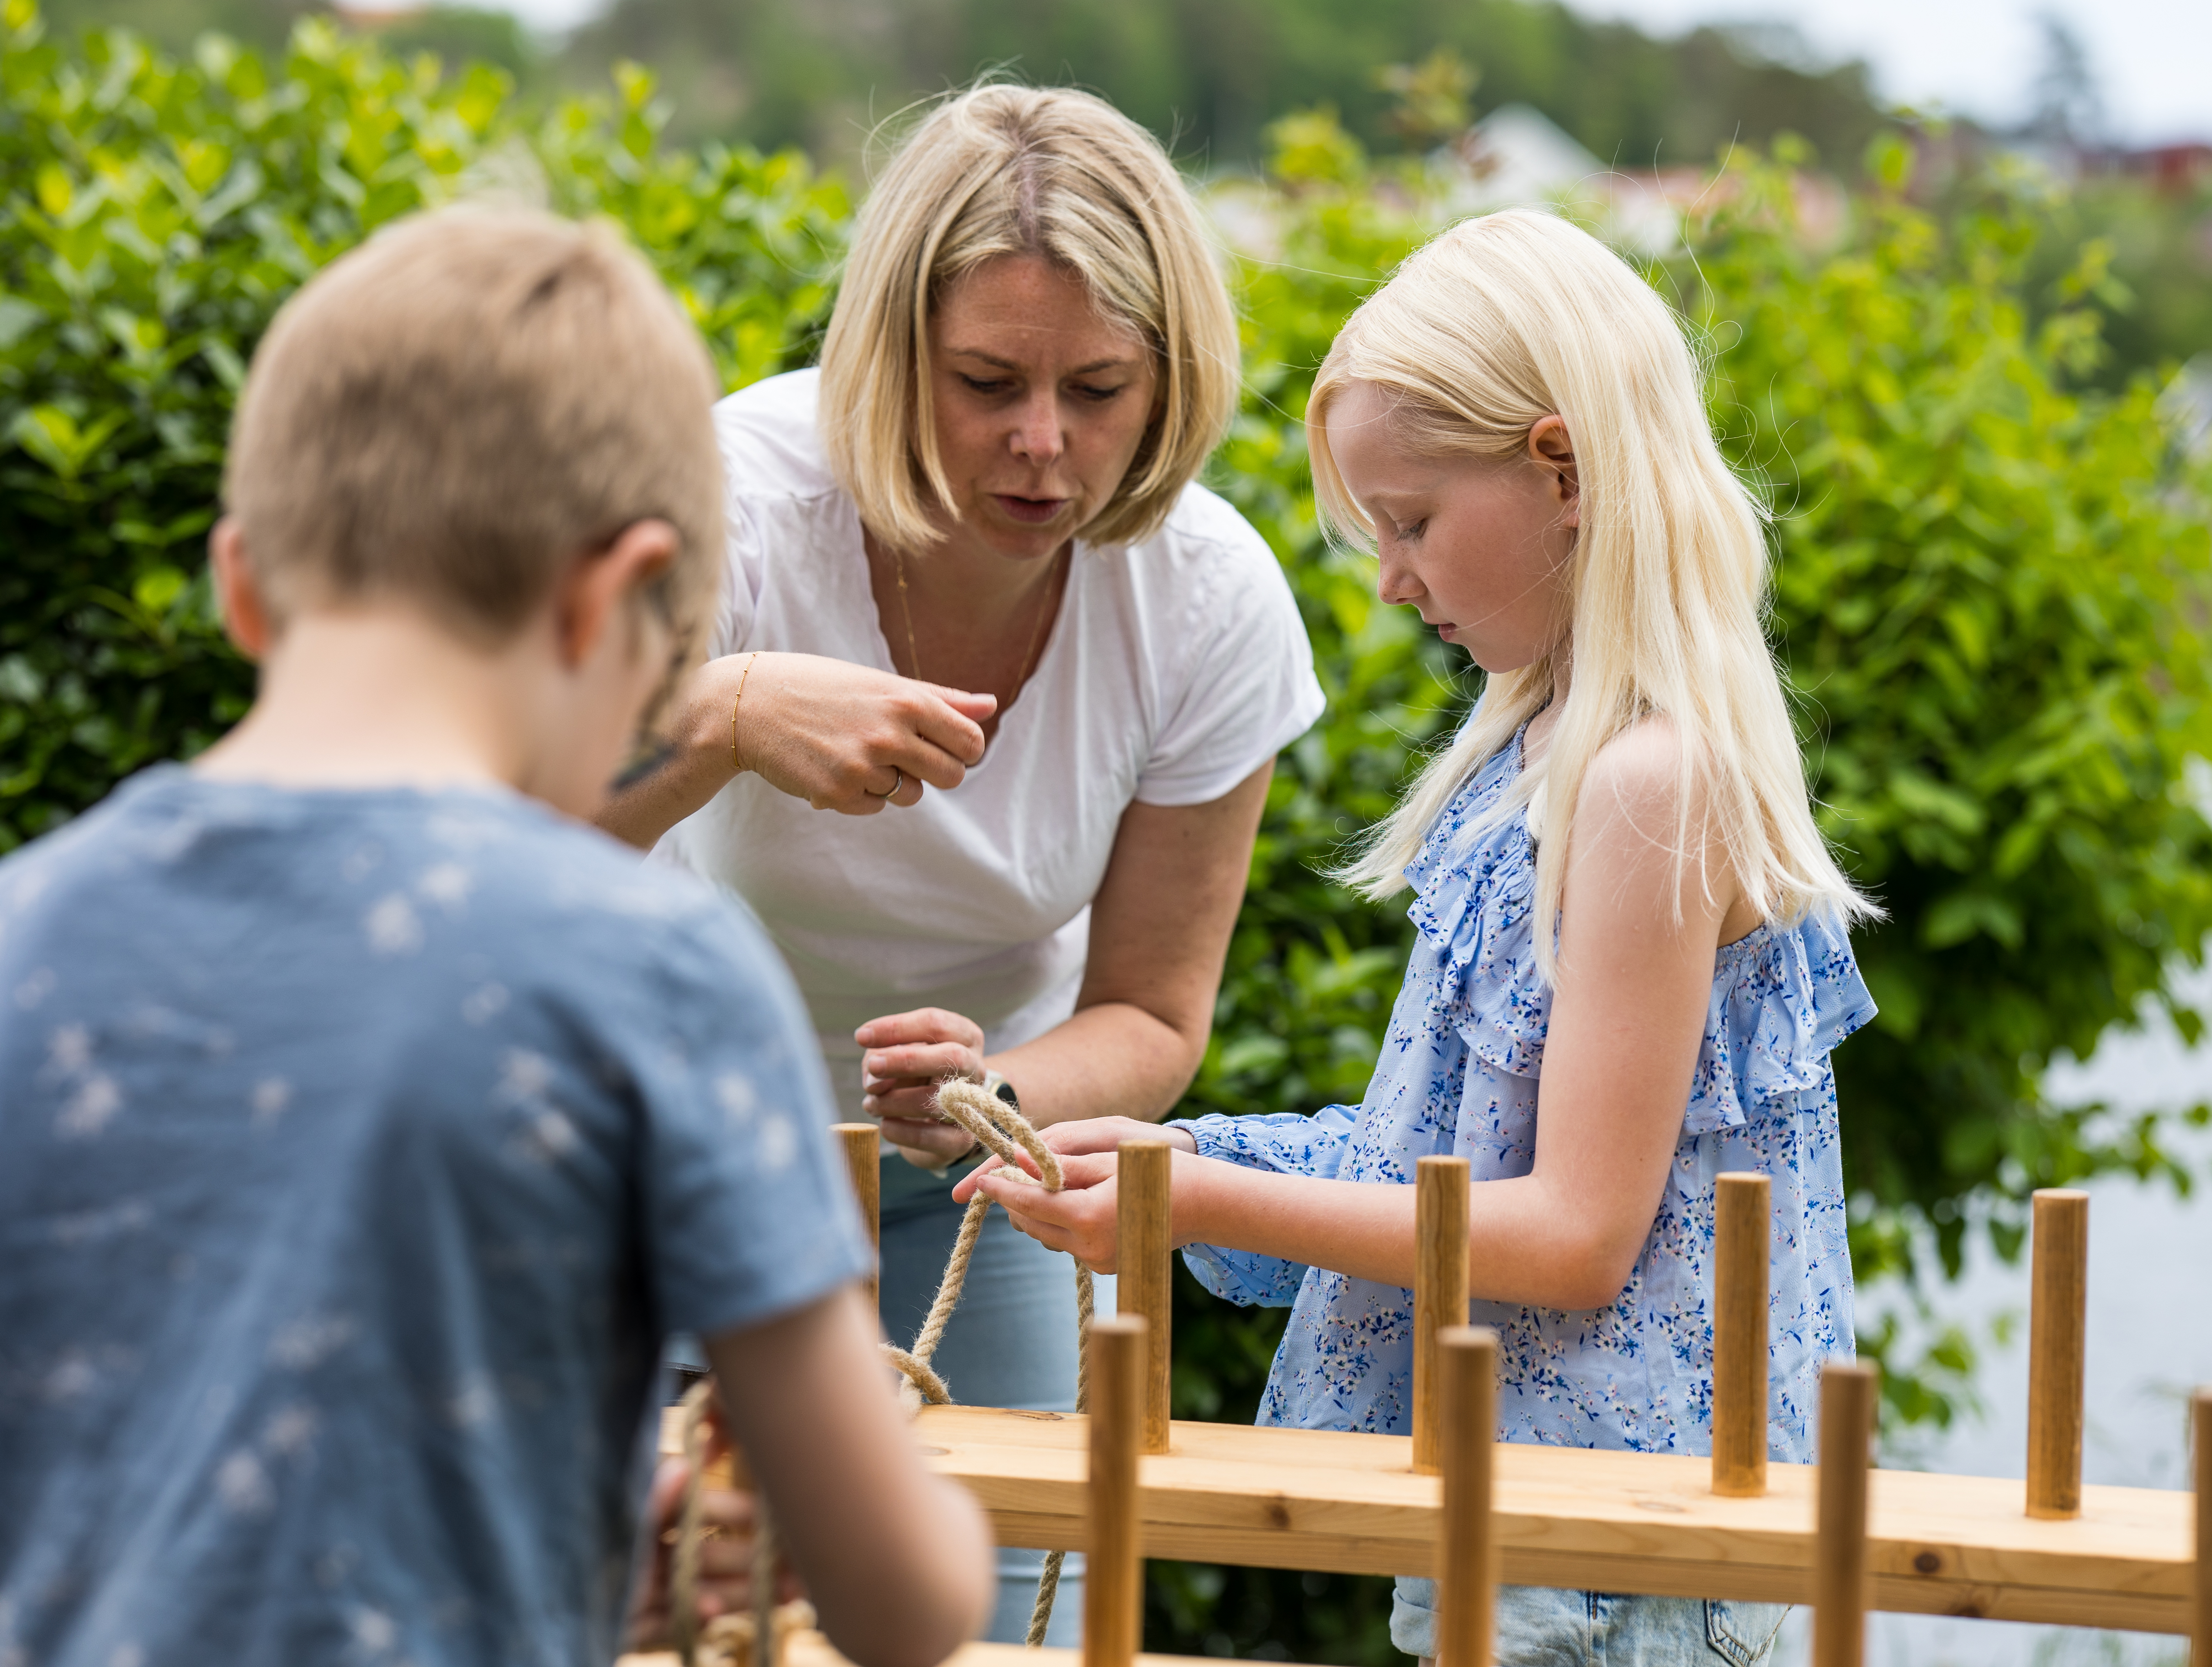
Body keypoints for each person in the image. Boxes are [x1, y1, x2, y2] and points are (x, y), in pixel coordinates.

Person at [0, 207, 992, 1667]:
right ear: (615, 598)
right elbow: (900, 1603)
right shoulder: (654, 975)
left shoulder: (28, 927)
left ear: (238, 584)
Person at [953, 207, 1882, 1667]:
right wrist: (1193, 1162)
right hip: (1541, 1518)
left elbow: (1571, 1237)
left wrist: (1200, 1203)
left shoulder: (1646, 785)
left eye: (1413, 521)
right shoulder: (1546, 759)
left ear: (1562, 471)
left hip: (1627, 1559)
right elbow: (1443, 1168)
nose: (1390, 576)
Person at [599, 85, 1323, 1641]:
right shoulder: (734, 504)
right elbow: (522, 851)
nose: (1043, 446)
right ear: (884, 355)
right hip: (674, 1151)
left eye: (1102, 389)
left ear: (1171, 379)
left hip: (973, 1183)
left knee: (996, 1626)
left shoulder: (1209, 599)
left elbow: (1151, 1012)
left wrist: (989, 1088)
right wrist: (724, 712)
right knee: (652, 1608)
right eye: (986, 380)